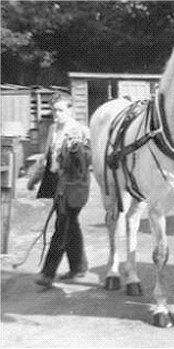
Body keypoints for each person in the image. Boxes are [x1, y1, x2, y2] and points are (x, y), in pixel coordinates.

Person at [27, 92, 92, 288]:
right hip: (56, 183)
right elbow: (47, 158)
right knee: (70, 224)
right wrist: (34, 179)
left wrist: (76, 147)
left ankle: (48, 273)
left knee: (62, 226)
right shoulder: (53, 129)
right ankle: (79, 266)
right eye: (54, 110)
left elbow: (88, 161)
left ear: (71, 110)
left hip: (74, 185)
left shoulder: (81, 131)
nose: (57, 114)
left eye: (61, 110)